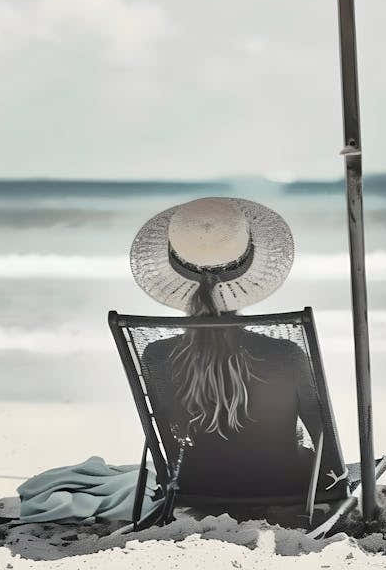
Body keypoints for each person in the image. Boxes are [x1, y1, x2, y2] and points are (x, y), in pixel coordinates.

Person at [129, 197, 341, 501]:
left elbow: (169, 433)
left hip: (195, 487)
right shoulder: (286, 355)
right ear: (246, 273)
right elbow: (324, 441)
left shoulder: (156, 357)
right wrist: (336, 480)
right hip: (284, 485)